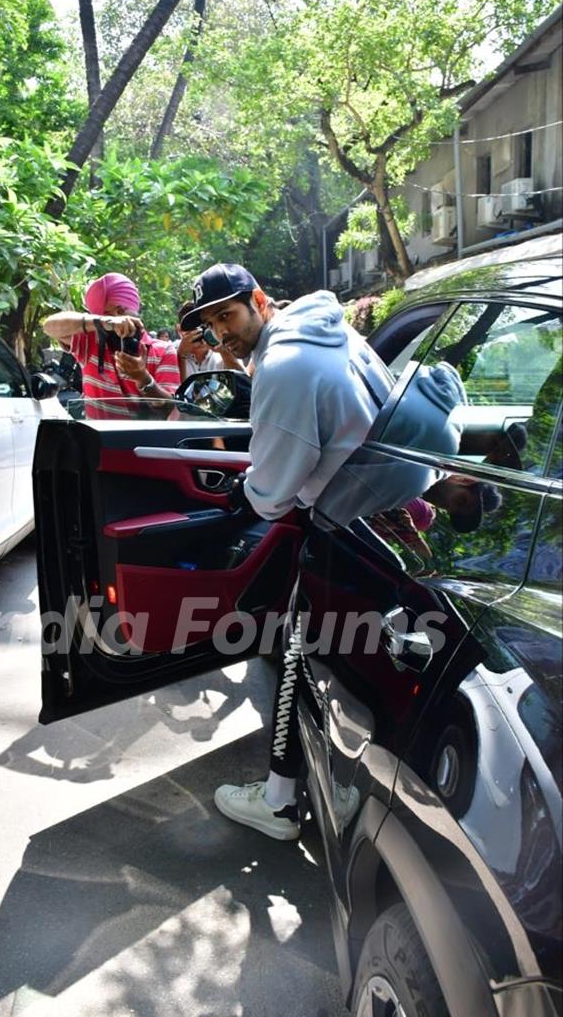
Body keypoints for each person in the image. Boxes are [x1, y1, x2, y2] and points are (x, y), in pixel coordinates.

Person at [180, 263, 467, 841]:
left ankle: (284, 804)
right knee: (360, 658)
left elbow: (273, 490)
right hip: (398, 511)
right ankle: (332, 786)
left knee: (303, 654)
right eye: (210, 326)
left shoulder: (284, 367)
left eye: (228, 316)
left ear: (260, 300)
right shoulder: (330, 330)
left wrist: (241, 493)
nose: (221, 333)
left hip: (347, 525)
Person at [42, 272, 179, 419]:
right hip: (97, 440)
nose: (118, 319)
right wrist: (101, 322)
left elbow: (169, 409)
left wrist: (143, 379)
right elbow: (49, 326)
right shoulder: (91, 341)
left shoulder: (163, 350)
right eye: (105, 316)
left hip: (144, 441)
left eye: (120, 312)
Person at [175, 299, 245, 382]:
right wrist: (181, 356)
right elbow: (176, 392)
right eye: (192, 328)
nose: (199, 332)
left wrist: (225, 353)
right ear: (180, 330)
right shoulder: (172, 351)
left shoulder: (224, 348)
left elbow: (244, 385)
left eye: (206, 325)